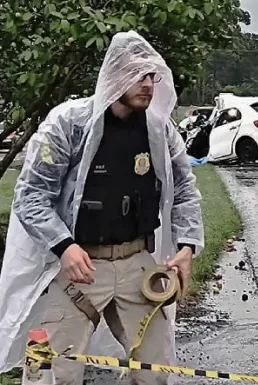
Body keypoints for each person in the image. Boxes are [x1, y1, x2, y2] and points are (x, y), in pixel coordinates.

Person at [0, 31, 204, 385]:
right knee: (49, 374)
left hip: (136, 263)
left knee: (155, 372)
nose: (147, 84)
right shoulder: (68, 123)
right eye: (138, 74)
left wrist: (187, 247)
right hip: (77, 267)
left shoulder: (160, 131)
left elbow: (186, 189)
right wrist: (64, 247)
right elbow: (31, 196)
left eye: (151, 76)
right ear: (114, 74)